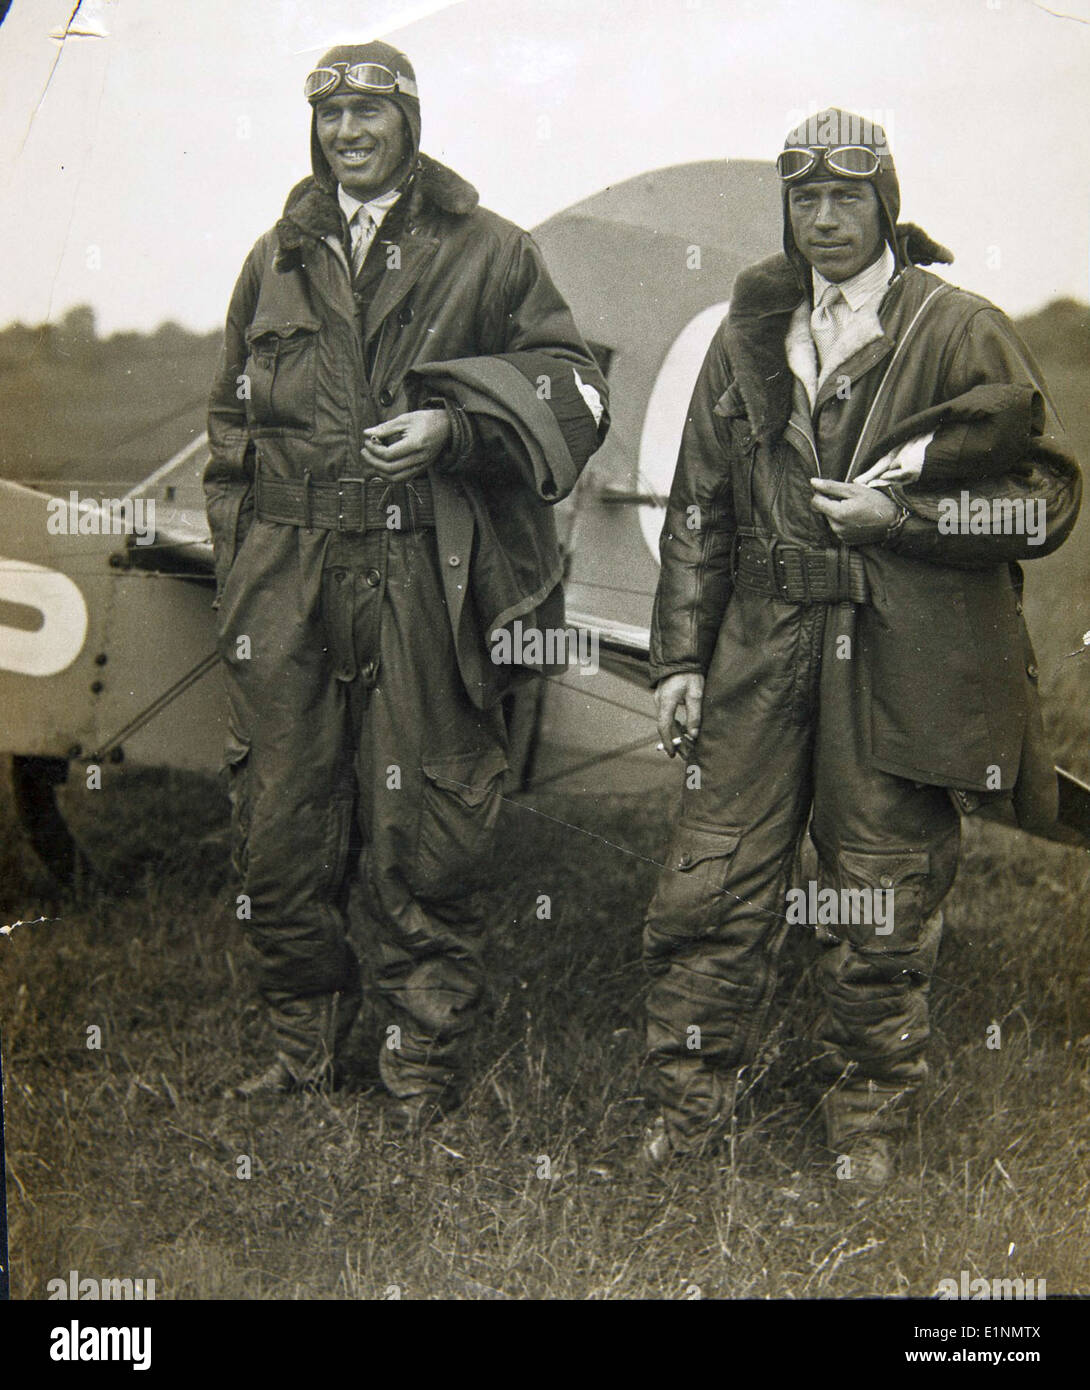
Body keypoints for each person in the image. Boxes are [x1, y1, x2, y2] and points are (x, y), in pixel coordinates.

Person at [640, 108, 1080, 1187]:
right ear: (784, 209)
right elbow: (700, 506)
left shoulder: (956, 326)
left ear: (886, 201)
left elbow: (1042, 502)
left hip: (897, 654)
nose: (824, 219)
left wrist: (908, 525)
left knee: (878, 895)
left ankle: (866, 1127)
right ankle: (684, 1115)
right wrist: (682, 660)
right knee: (710, 884)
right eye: (805, 198)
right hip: (755, 647)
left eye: (846, 196)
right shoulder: (747, 335)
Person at [205, 40, 608, 1126]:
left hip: (424, 568)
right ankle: (299, 1046)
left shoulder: (492, 251)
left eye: (369, 117)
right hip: (288, 576)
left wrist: (457, 427)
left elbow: (576, 395)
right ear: (314, 131)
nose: (349, 135)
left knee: (422, 815)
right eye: (332, 118)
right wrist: (245, 567)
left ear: (409, 124)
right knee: (279, 814)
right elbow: (231, 425)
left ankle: (415, 1059)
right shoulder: (276, 255)